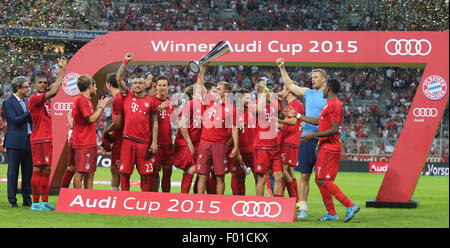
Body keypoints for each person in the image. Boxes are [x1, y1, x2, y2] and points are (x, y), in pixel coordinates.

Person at [299, 78, 359, 222]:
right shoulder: (328, 105)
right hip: (325, 147)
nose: (323, 90)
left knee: (322, 180)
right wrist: (297, 116)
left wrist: (314, 134)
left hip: (330, 148)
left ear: (329, 89)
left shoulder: (335, 105)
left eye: (325, 88)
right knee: (320, 180)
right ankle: (331, 213)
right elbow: (316, 121)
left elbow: (334, 129)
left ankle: (350, 205)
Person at [277, 58, 328, 218]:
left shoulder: (329, 97)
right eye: (312, 77)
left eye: (315, 77)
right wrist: (282, 68)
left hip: (322, 140)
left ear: (323, 79)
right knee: (304, 175)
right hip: (306, 140)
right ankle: (303, 209)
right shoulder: (309, 93)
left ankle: (330, 210)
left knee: (322, 179)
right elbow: (291, 86)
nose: (313, 80)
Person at [116, 53, 160, 192]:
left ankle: (144, 201)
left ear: (145, 85)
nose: (137, 85)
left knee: (145, 175)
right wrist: (125, 62)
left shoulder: (150, 101)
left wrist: (153, 142)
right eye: (134, 83)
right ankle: (124, 200)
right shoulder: (127, 96)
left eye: (140, 83)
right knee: (124, 173)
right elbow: (118, 78)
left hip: (144, 143)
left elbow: (155, 123)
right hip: (128, 141)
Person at [28, 56, 67, 211]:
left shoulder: (45, 103)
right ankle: (35, 203)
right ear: (34, 85)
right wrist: (62, 73)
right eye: (40, 83)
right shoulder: (34, 98)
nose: (43, 85)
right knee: (38, 169)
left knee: (47, 170)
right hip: (39, 139)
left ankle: (44, 201)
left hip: (46, 139)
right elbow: (54, 91)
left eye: (45, 82)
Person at [196, 80, 240, 195]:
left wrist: (236, 146)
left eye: (219, 88)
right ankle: (199, 202)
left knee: (220, 176)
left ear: (226, 92)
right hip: (204, 143)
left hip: (219, 145)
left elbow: (234, 129)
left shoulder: (231, 109)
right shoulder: (210, 102)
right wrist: (202, 69)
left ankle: (219, 202)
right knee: (202, 175)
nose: (215, 90)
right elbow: (200, 86)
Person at [72, 75, 111, 189]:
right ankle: (78, 199)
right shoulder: (81, 100)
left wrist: (101, 107)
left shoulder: (86, 101)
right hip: (83, 142)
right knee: (80, 172)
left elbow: (93, 119)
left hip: (89, 141)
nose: (96, 89)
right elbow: (91, 119)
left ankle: (87, 199)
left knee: (90, 172)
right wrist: (100, 107)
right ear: (89, 86)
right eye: (94, 86)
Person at [173, 64, 207, 193]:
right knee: (192, 169)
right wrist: (188, 143)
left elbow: (200, 84)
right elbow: (182, 123)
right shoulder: (192, 104)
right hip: (186, 141)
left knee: (201, 172)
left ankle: (195, 197)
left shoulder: (206, 107)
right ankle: (184, 197)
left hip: (198, 143)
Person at [2, 76, 33, 207]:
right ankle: (12, 200)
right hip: (14, 142)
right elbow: (14, 120)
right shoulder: (8, 102)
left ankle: (27, 199)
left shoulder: (27, 101)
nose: (28, 89)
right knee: (13, 172)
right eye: (26, 87)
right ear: (18, 88)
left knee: (28, 172)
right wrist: (30, 112)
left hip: (28, 140)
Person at [251, 78, 284, 197]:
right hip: (261, 146)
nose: (272, 92)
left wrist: (281, 101)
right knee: (262, 178)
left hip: (274, 146)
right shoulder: (254, 105)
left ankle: (278, 205)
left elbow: (282, 117)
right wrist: (263, 92)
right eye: (268, 90)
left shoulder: (274, 105)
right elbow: (258, 109)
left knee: (279, 176)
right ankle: (260, 206)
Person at [278, 85, 304, 203]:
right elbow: (284, 126)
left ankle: (293, 199)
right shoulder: (289, 105)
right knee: (289, 171)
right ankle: (295, 200)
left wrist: (276, 120)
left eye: (283, 89)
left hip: (290, 141)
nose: (281, 91)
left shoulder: (296, 104)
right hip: (288, 140)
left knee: (282, 169)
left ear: (289, 91)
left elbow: (293, 122)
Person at [228, 88, 255, 195]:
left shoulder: (254, 111)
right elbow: (229, 134)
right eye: (247, 98)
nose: (250, 100)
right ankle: (237, 201)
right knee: (238, 177)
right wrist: (235, 148)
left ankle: (262, 202)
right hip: (238, 151)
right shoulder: (232, 113)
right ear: (239, 99)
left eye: (250, 98)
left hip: (253, 150)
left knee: (260, 176)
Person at [152, 75, 174, 192]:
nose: (161, 88)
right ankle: (154, 198)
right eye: (159, 85)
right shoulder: (151, 101)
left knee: (167, 174)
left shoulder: (170, 104)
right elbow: (145, 118)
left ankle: (166, 200)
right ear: (155, 87)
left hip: (168, 144)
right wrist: (159, 108)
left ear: (168, 87)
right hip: (156, 144)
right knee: (154, 174)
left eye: (164, 85)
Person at [102, 73, 124, 190]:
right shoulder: (121, 97)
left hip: (121, 140)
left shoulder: (117, 98)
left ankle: (114, 197)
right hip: (122, 138)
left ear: (108, 84)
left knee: (115, 170)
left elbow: (117, 123)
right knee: (118, 170)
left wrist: (106, 130)